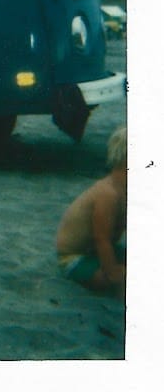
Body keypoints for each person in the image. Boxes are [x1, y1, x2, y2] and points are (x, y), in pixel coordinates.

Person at [56, 125, 127, 294]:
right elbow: (101, 239)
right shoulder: (108, 193)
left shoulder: (125, 190)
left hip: (99, 250)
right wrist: (113, 274)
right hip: (76, 258)